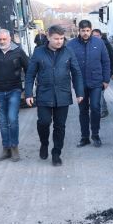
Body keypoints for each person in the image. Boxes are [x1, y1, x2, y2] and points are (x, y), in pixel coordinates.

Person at [24, 25, 84, 166]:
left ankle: (56, 153)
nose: (59, 41)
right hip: (44, 94)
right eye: (56, 38)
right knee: (43, 122)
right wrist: (28, 93)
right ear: (48, 37)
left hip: (63, 94)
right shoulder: (38, 52)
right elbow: (30, 74)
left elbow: (76, 73)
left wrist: (79, 92)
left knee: (60, 126)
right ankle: (44, 143)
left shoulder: (68, 52)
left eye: (62, 38)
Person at [0, 29, 29, 162]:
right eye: (0, 40)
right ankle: (6, 148)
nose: (2, 42)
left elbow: (29, 68)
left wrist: (28, 89)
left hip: (15, 90)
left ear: (10, 39)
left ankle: (14, 148)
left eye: (4, 39)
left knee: (12, 119)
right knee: (3, 122)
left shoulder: (18, 52)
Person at [67, 20, 110, 148]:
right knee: (83, 110)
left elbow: (106, 61)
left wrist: (106, 80)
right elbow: (66, 63)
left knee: (96, 108)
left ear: (91, 30)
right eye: (83, 31)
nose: (85, 33)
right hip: (80, 83)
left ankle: (95, 135)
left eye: (87, 31)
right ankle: (84, 137)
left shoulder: (99, 43)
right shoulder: (71, 45)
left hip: (96, 82)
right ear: (78, 31)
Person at [92, 28, 113, 118]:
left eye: (97, 36)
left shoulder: (106, 45)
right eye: (94, 36)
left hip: (104, 73)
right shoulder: (90, 45)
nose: (95, 37)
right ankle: (103, 109)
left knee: (99, 92)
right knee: (99, 92)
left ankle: (102, 110)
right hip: (95, 73)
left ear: (100, 36)